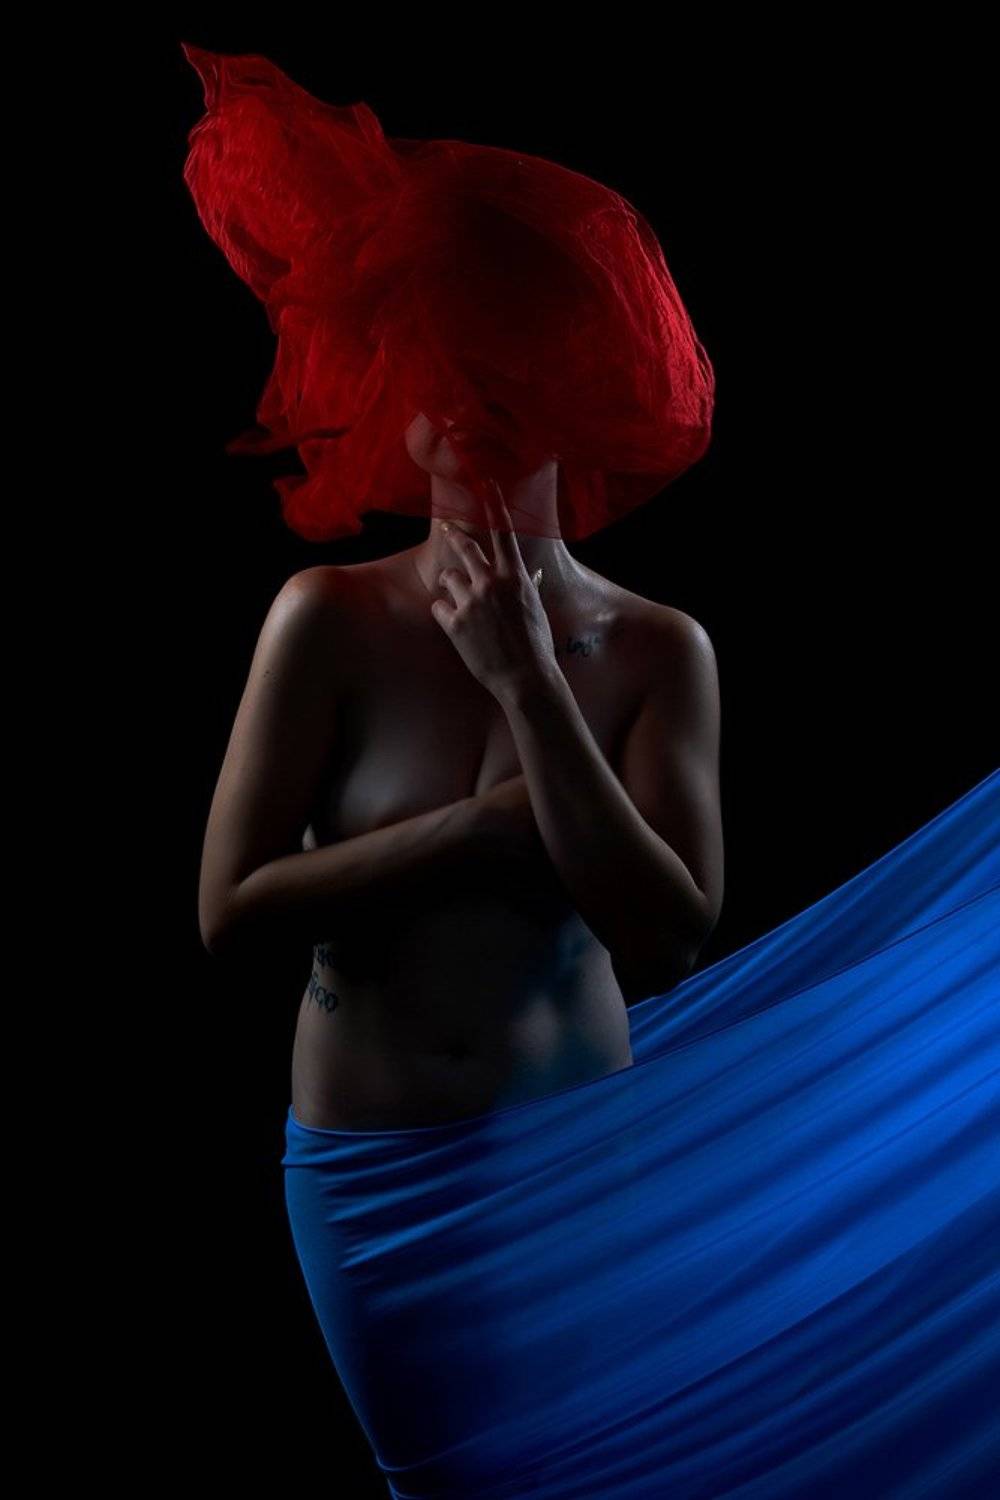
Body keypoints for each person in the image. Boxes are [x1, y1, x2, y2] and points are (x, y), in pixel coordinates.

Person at [198, 406, 724, 1130]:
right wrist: (477, 829)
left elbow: (667, 948)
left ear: (585, 392)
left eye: (502, 377)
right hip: (363, 1163)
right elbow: (229, 917)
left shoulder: (659, 648)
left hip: (576, 1151)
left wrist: (531, 682)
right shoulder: (326, 615)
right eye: (439, 371)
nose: (465, 399)